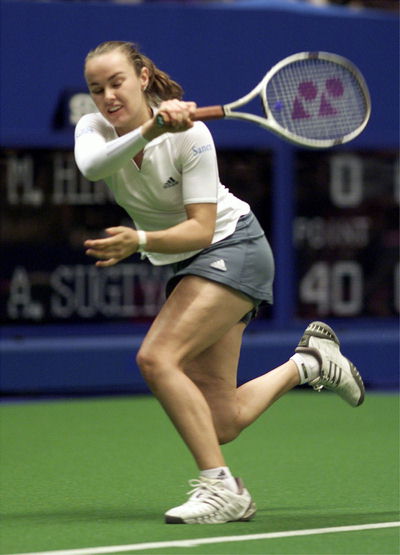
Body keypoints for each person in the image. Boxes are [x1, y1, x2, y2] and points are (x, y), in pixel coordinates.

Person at [74, 41, 365, 524]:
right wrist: (151, 128)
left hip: (234, 249)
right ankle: (310, 363)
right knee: (220, 420)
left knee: (156, 357)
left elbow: (201, 230)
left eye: (117, 82)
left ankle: (222, 489)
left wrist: (140, 239)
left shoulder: (193, 135)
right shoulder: (93, 128)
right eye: (96, 88)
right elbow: (92, 166)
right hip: (190, 264)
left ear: (142, 78)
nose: (107, 96)